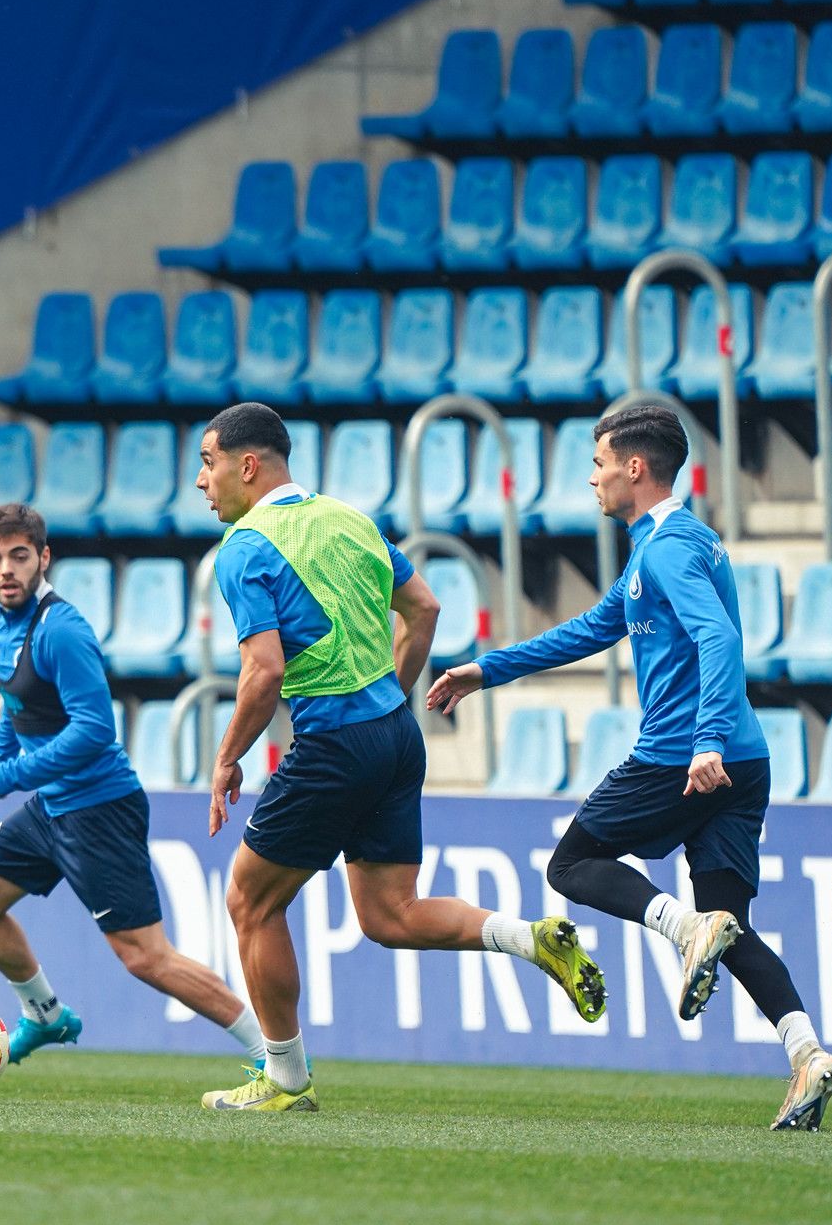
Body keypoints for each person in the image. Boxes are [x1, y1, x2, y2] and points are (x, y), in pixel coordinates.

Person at [428, 406, 832, 1131]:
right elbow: (593, 627)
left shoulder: (667, 551)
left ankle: (681, 928)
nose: (592, 477)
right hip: (745, 762)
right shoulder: (683, 541)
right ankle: (808, 1054)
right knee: (732, 926)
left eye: (598, 463)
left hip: (688, 756)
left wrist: (705, 738)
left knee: (572, 861)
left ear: (635, 468)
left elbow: (716, 637)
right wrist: (486, 670)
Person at [197, 404, 606, 1113]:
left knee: (249, 899)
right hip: (395, 732)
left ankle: (285, 1080)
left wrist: (228, 756)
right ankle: (530, 937)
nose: (203, 483)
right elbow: (425, 608)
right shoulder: (352, 519)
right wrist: (389, 694)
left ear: (248, 464)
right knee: (390, 913)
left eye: (208, 463)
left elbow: (262, 673)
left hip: (331, 742)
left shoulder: (244, 545)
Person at [0, 503, 271, 1072]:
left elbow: (96, 731)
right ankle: (44, 1013)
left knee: (147, 958)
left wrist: (10, 776)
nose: (5, 571)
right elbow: (14, 705)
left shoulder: (62, 631)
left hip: (99, 808)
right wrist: (0, 763)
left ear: (43, 558)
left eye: (19, 557)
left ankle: (274, 1052)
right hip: (52, 806)